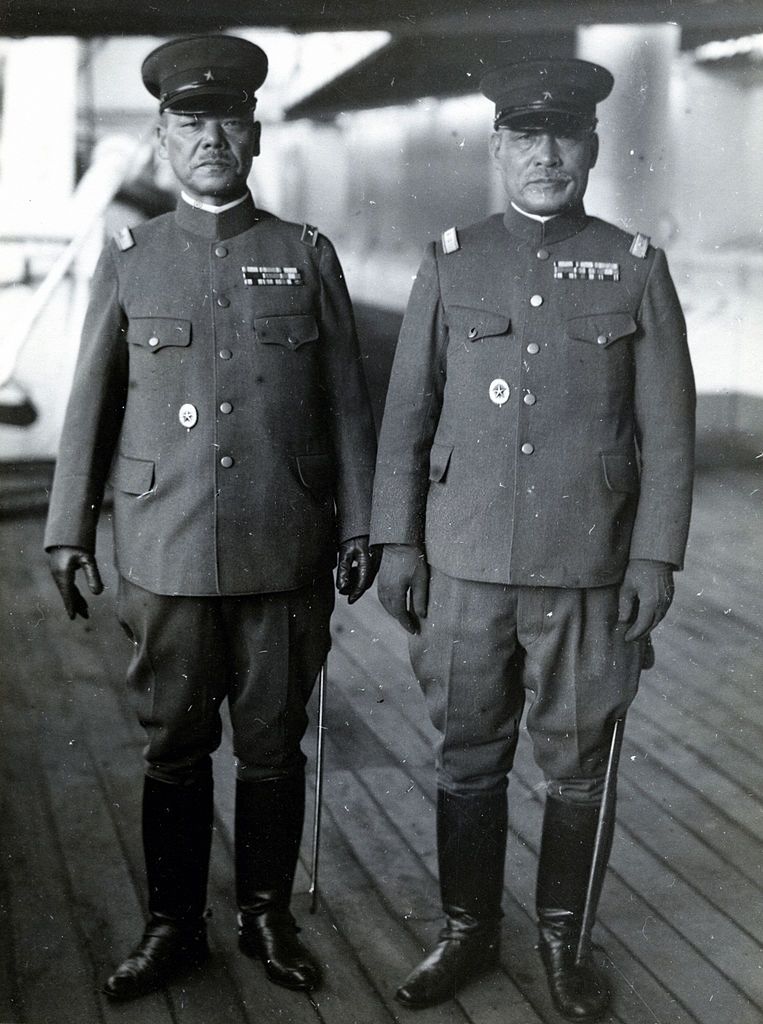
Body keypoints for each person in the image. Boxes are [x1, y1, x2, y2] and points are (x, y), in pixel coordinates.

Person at [45, 34, 378, 1002]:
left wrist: (360, 525)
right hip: (168, 547)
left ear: (254, 133)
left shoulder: (302, 256)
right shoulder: (133, 257)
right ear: (161, 135)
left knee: (274, 746)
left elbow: (346, 408)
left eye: (227, 121)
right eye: (190, 122)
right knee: (175, 747)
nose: (209, 138)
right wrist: (69, 526)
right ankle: (172, 925)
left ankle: (266, 915)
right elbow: (90, 401)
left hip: (285, 547)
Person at [370, 58, 695, 1021]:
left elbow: (668, 432)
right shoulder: (453, 257)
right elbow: (407, 415)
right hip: (463, 561)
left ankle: (564, 940)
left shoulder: (633, 265)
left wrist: (653, 557)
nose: (544, 154)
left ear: (592, 146)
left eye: (563, 136)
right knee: (467, 754)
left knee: (578, 760)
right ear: (499, 147)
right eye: (524, 136)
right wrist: (398, 541)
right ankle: (466, 933)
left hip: (588, 567)